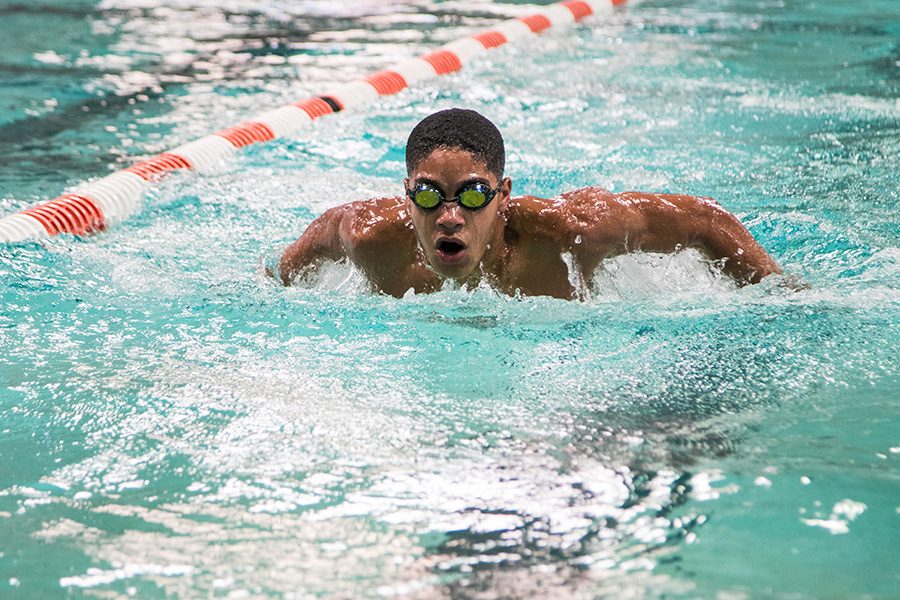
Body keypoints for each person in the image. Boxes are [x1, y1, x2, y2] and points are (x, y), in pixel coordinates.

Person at [278, 108, 781, 299]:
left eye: (474, 194)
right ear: (407, 195)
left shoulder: (569, 234)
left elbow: (700, 220)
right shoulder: (368, 237)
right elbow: (291, 266)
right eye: (430, 195)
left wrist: (779, 297)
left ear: (504, 195)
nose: (450, 216)